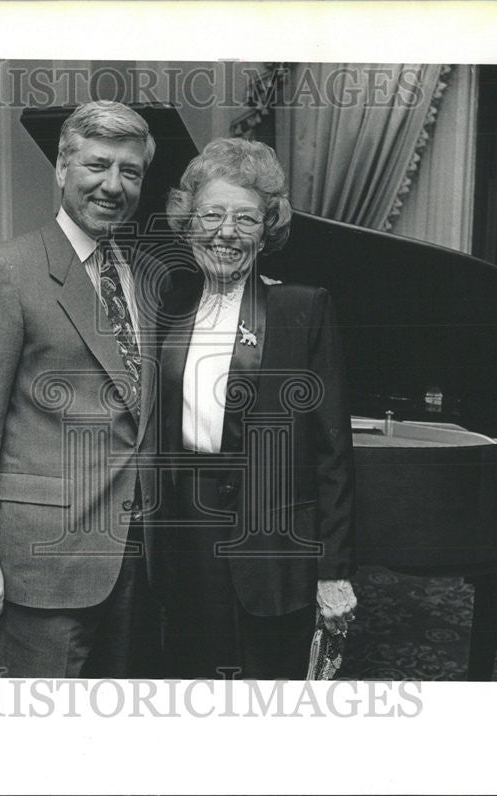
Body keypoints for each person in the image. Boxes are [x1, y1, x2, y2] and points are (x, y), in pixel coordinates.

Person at [0, 100, 167, 677]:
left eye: (130, 171)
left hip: (133, 556)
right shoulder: (5, 271)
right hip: (42, 559)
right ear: (61, 169)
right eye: (97, 165)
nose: (113, 185)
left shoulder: (142, 275)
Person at [155, 138, 358, 679]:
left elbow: (332, 453)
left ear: (267, 229)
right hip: (181, 542)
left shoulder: (301, 309)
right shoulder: (166, 306)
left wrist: (333, 570)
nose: (226, 233)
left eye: (245, 219)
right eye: (212, 215)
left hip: (271, 550)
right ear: (188, 223)